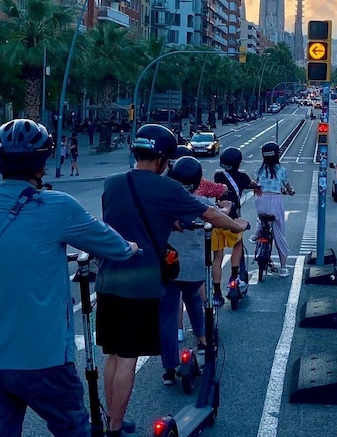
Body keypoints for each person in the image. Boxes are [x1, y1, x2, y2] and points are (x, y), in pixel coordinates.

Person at [0, 119, 138, 437]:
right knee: (72, 429)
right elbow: (115, 247)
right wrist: (132, 246)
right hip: (43, 359)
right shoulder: (57, 207)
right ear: (43, 163)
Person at [95, 124, 248, 437]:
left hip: (108, 279)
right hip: (141, 283)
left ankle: (113, 417)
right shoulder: (168, 188)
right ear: (163, 159)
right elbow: (210, 215)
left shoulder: (111, 184)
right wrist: (237, 224)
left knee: (111, 355)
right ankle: (113, 428)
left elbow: (119, 223)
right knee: (127, 358)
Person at [159, 156, 231, 385]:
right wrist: (228, 210)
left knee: (168, 315)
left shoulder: (165, 201)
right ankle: (202, 339)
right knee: (195, 302)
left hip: (168, 267)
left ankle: (169, 367)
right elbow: (221, 217)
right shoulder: (201, 203)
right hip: (194, 267)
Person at [212, 147, 258, 305]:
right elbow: (253, 184)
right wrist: (257, 186)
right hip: (233, 219)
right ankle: (233, 276)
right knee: (237, 245)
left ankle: (217, 293)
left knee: (217, 256)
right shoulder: (243, 177)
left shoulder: (218, 176)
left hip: (217, 218)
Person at [252, 142, 295, 278]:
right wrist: (290, 191)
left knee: (261, 217)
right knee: (279, 234)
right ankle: (283, 268)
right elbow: (287, 186)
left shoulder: (258, 169)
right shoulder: (281, 170)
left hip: (261, 200)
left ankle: (256, 234)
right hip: (276, 202)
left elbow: (256, 185)